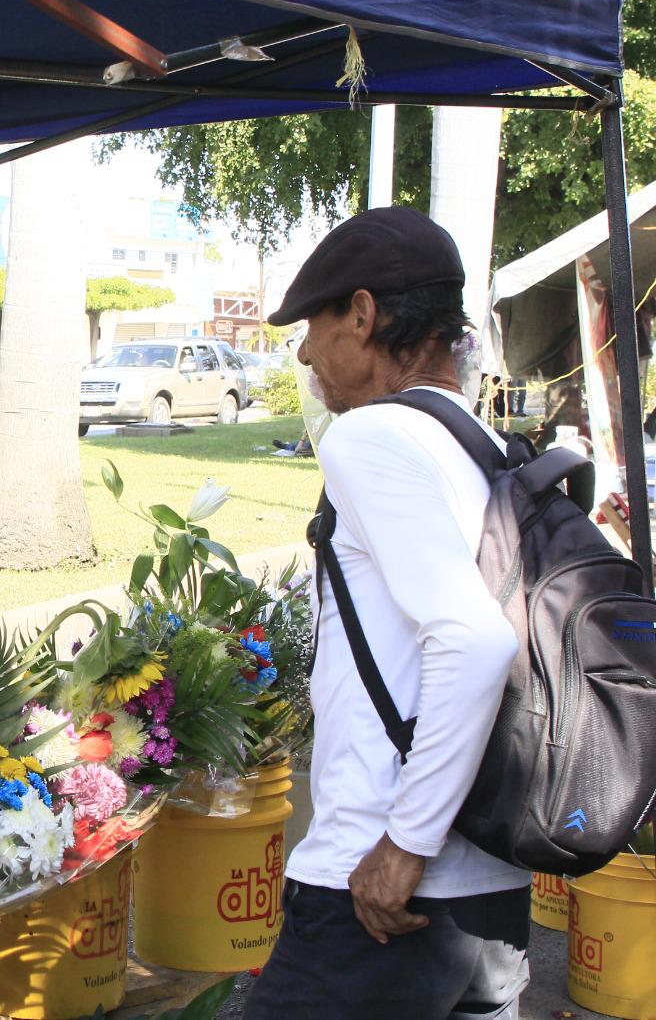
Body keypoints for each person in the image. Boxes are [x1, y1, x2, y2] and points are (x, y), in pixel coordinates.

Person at [244, 207, 529, 1020]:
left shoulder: (369, 438)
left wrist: (404, 846)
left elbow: (474, 642)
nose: (304, 352)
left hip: (384, 889)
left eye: (313, 325)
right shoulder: (477, 439)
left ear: (363, 316)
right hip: (488, 885)